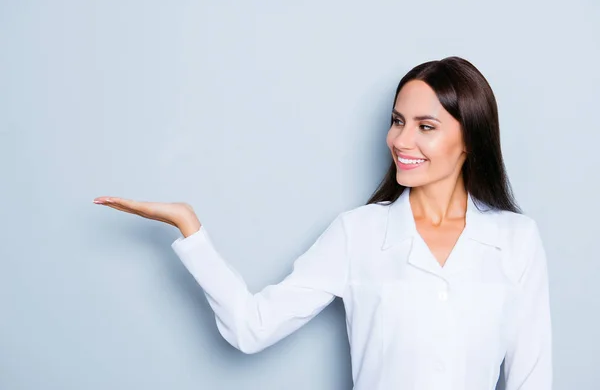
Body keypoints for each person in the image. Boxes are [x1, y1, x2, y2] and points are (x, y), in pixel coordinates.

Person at [93, 56, 552, 390]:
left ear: (470, 138)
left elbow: (532, 378)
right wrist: (189, 228)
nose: (401, 139)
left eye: (425, 126)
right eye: (397, 121)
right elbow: (252, 328)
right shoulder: (358, 233)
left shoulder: (515, 239)